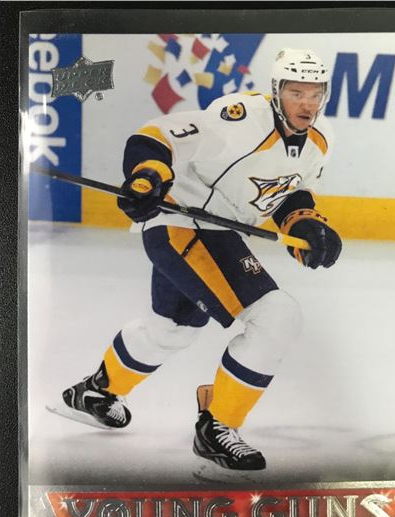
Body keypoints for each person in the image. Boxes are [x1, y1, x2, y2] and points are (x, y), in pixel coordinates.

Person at [57, 48, 342, 471]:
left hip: (215, 232)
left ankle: (96, 391)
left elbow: (288, 191)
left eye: (315, 93)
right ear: (276, 90)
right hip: (181, 221)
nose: (306, 103)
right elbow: (156, 135)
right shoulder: (241, 119)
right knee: (278, 316)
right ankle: (217, 426)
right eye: (295, 93)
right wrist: (147, 175)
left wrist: (303, 221)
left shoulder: (321, 139)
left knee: (172, 329)